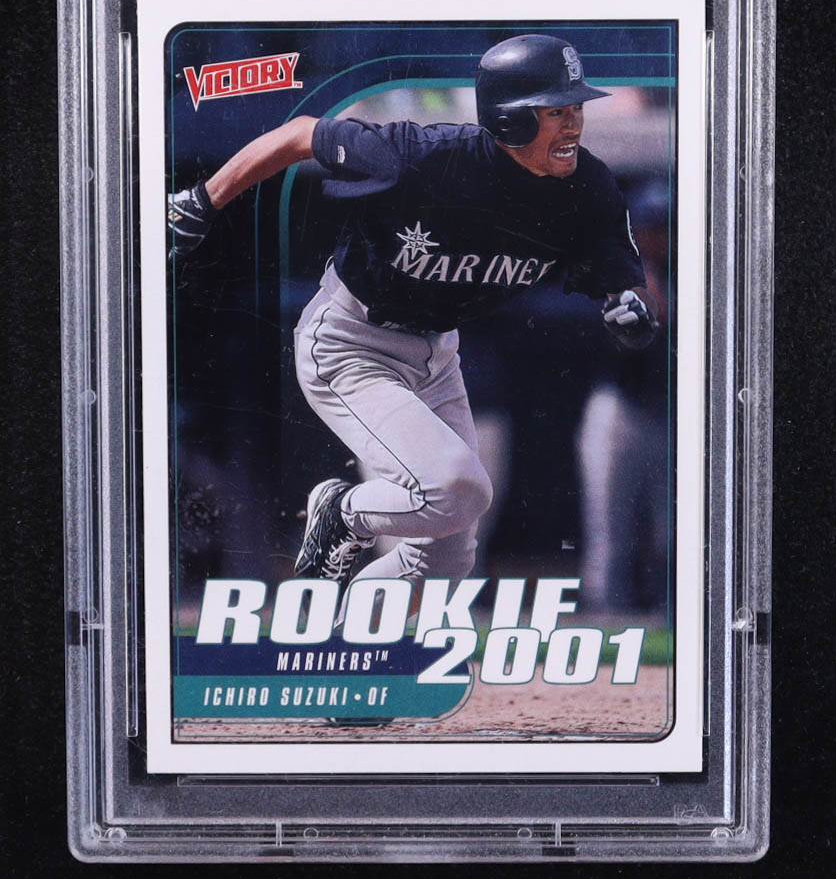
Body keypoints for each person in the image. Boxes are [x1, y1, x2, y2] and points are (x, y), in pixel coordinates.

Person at [168, 34, 658, 590]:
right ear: (510, 119)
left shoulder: (587, 187)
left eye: (576, 109)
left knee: (447, 560)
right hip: (352, 338)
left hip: (436, 351)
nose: (573, 125)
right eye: (555, 112)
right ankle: (343, 513)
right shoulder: (424, 157)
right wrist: (204, 199)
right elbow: (301, 133)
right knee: (457, 488)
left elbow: (621, 283)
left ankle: (354, 628)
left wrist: (627, 309)